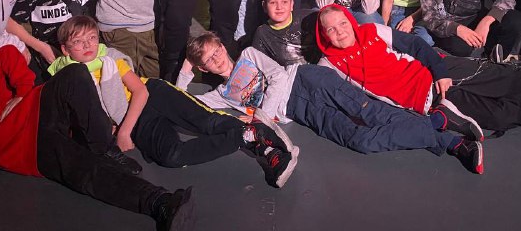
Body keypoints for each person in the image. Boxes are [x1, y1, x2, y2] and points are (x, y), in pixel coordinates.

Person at [0, 46, 195, 229]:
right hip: (31, 150)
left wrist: (22, 91)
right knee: (81, 169)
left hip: (38, 106)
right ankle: (160, 204)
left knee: (74, 73)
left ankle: (105, 149)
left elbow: (8, 53)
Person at [177, 31, 484, 174]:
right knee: (359, 140)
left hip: (306, 80)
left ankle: (452, 143)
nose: (217, 59)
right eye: (208, 60)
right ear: (204, 67)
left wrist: (262, 119)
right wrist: (186, 68)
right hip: (301, 110)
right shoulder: (222, 95)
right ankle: (438, 124)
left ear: (223, 46)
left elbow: (278, 77)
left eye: (217, 51)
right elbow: (182, 100)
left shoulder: (248, 55)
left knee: (373, 114)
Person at [47, 16, 298, 188]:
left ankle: (266, 147)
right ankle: (251, 136)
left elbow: (140, 92)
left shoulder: (109, 57)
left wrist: (123, 131)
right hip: (138, 120)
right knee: (171, 156)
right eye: (78, 42)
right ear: (65, 49)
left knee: (207, 122)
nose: (87, 45)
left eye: (92, 38)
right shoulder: (64, 75)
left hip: (151, 94)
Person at [315, 6, 521, 137]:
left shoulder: (372, 30)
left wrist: (439, 71)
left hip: (435, 70)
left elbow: (415, 45)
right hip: (427, 100)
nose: (340, 31)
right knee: (498, 116)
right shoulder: (329, 65)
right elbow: (341, 103)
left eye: (342, 23)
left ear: (350, 20)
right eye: (331, 29)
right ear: (324, 35)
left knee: (504, 78)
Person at [251, 0, 320, 66]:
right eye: (273, 2)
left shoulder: (309, 17)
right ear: (264, 6)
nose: (279, 7)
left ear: (291, 4)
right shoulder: (262, 33)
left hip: (321, 68)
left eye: (284, 2)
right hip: (289, 73)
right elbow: (259, 65)